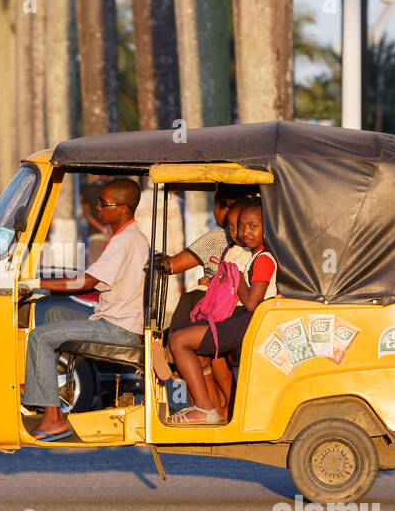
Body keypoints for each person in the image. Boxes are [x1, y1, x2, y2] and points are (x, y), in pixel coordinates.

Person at [22, 178, 149, 441]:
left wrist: (35, 283)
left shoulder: (125, 240)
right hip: (114, 320)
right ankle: (42, 383)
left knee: (39, 337)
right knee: (54, 315)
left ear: (123, 208)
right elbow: (94, 280)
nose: (97, 208)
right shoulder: (127, 237)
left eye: (103, 204)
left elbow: (87, 282)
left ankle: (53, 418)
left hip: (118, 330)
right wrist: (43, 289)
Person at [165, 198, 276, 425]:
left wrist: (237, 277)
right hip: (242, 319)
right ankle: (206, 407)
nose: (245, 232)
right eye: (241, 226)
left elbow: (252, 302)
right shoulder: (257, 256)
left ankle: (205, 409)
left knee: (179, 340)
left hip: (248, 320)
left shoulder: (263, 259)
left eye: (253, 226)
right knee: (180, 334)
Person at [154, 185, 250, 328]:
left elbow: (172, 265)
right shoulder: (258, 240)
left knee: (189, 298)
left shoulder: (218, 238)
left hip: (221, 310)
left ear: (225, 210)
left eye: (215, 206)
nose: (213, 211)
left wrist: (156, 258)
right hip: (242, 310)